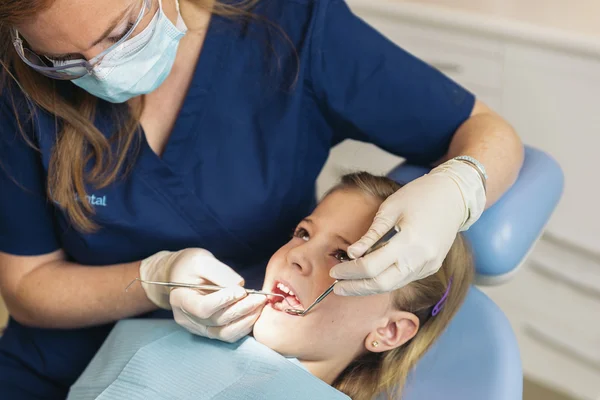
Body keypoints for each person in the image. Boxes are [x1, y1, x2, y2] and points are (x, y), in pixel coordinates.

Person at [0, 0, 522, 397]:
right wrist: (154, 279)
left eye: (121, 31)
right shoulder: (17, 87)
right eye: (65, 61)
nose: (102, 71)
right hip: (50, 371)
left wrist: (458, 189)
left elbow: (485, 131)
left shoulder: (290, 28)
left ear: (389, 330)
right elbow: (27, 286)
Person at [67, 173, 474, 400]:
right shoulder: (168, 334)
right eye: (303, 233)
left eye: (343, 255)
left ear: (388, 331)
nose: (296, 256)